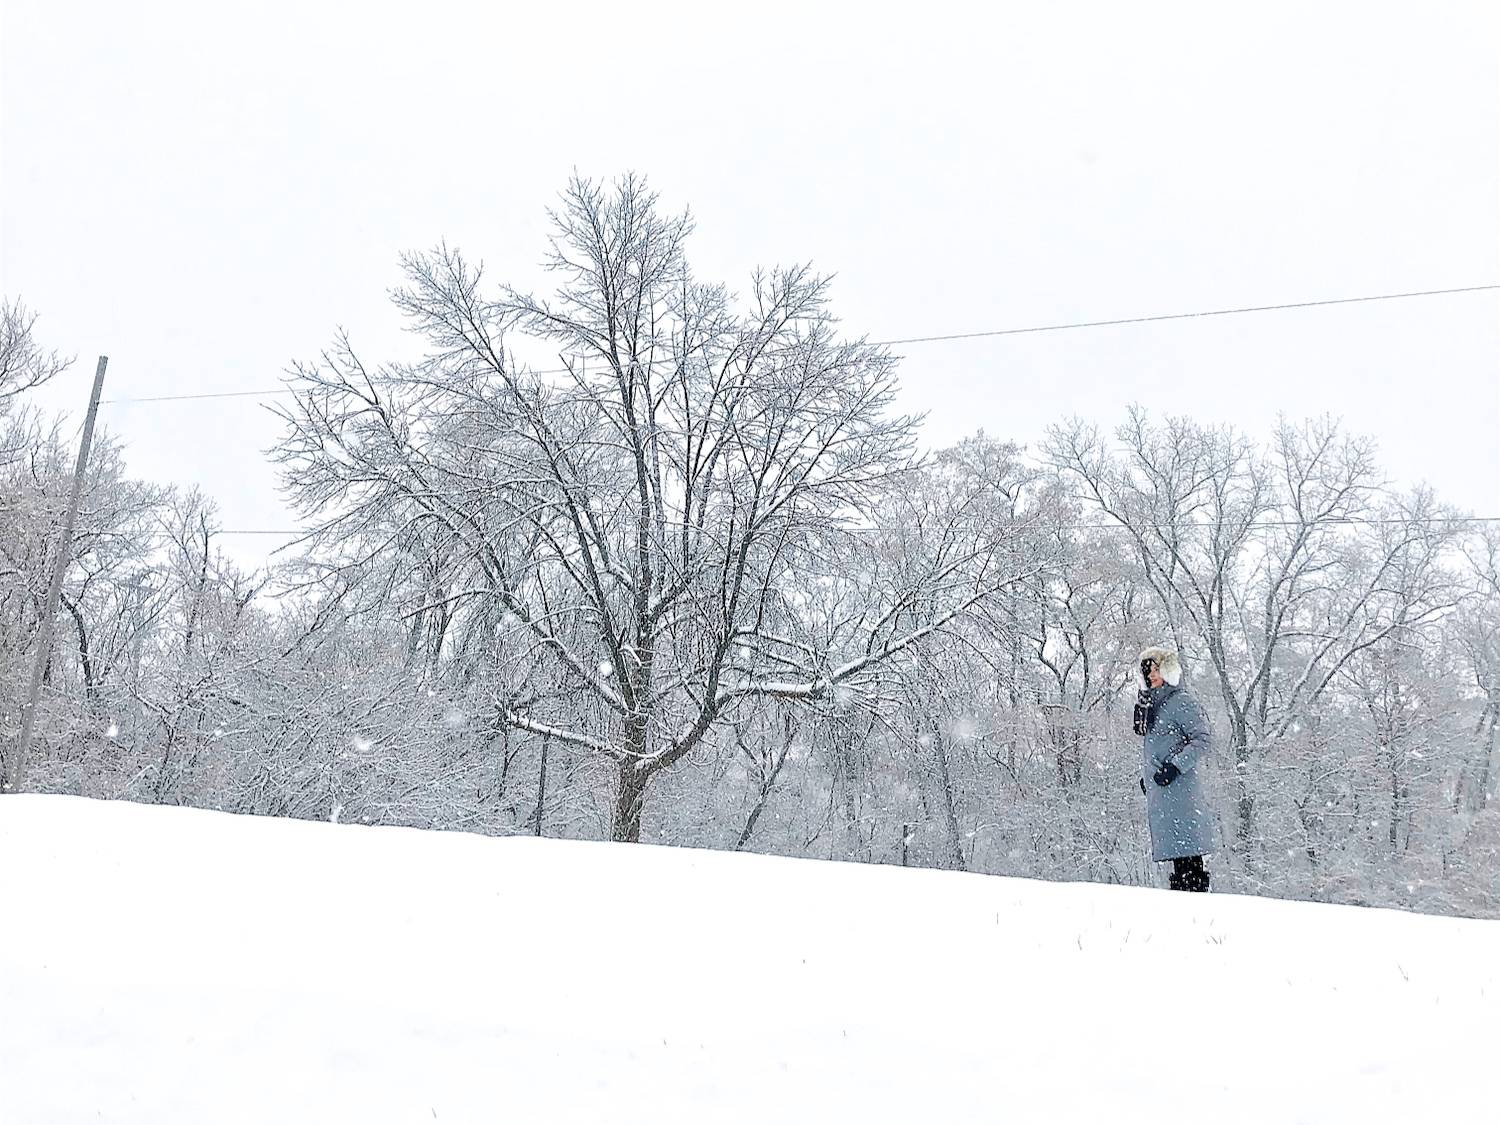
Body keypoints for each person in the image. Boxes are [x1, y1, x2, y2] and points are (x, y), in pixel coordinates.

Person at [1133, 646, 1216, 891]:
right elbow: (1157, 744)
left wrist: (1175, 767)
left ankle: (1194, 898)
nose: (1152, 675)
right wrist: (1147, 776)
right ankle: (1182, 896)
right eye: (1147, 671)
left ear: (1168, 670)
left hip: (1180, 791)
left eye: (1157, 669)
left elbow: (1202, 739)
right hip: (1161, 790)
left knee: (1188, 854)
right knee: (1178, 856)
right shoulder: (1149, 705)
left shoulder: (1181, 701)